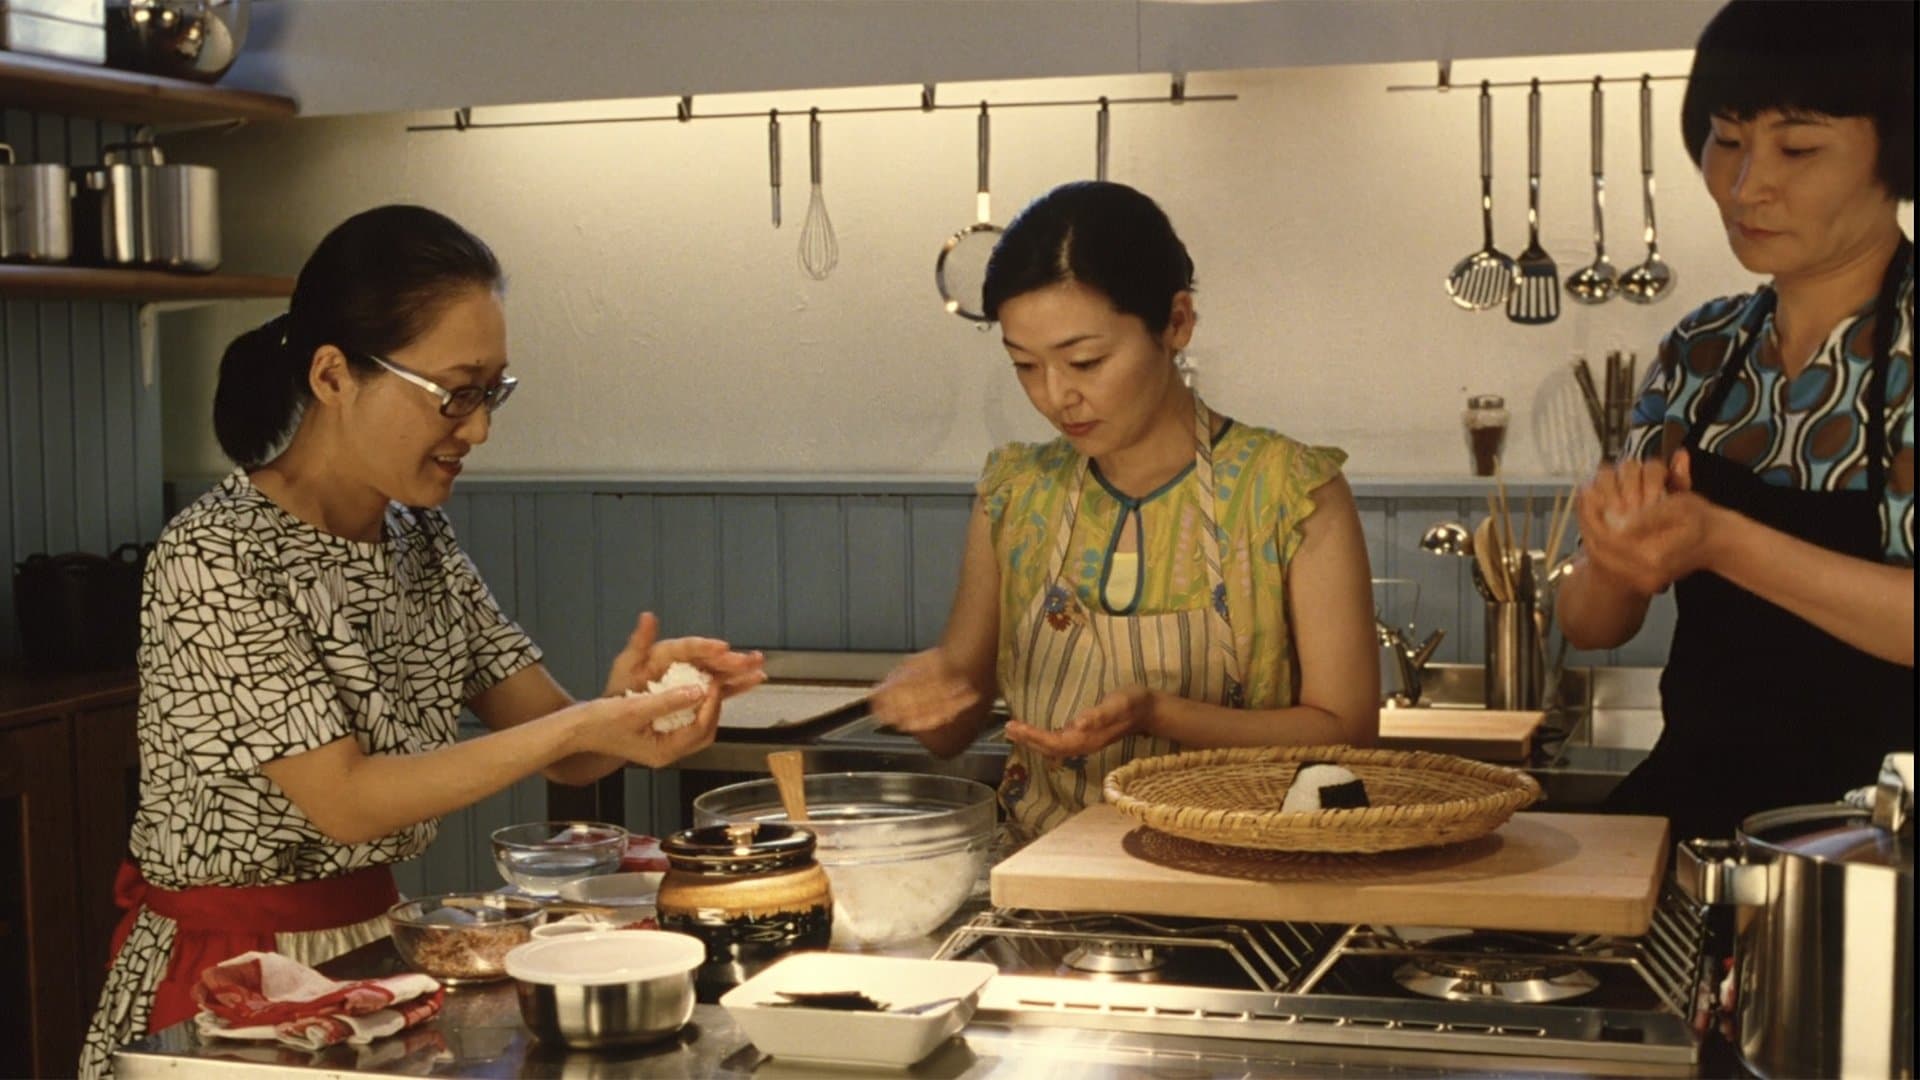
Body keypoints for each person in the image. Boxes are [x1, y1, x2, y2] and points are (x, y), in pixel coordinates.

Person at [78, 205, 766, 1076]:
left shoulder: (418, 538)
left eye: (491, 392)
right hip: (229, 980)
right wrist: (582, 724)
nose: (477, 429)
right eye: (456, 391)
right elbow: (346, 800)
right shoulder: (214, 555)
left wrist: (631, 706)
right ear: (334, 375)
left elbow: (566, 749)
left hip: (373, 952)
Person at [871, 181, 1378, 842]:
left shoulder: (1288, 492)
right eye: (1025, 365)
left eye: (1086, 361)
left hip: (1245, 873)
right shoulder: (1016, 494)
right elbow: (956, 720)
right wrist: (924, 699)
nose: (1057, 396)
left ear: (1176, 323)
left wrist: (1158, 713)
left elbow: (1347, 734)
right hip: (1044, 874)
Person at [1557, 0, 1914, 842]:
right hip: (1702, 822)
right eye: (1726, 140)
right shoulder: (1705, 347)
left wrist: (1718, 540)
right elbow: (1591, 625)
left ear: (1897, 152)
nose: (1746, 186)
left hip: (1881, 842)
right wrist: (1614, 550)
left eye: (1798, 149)